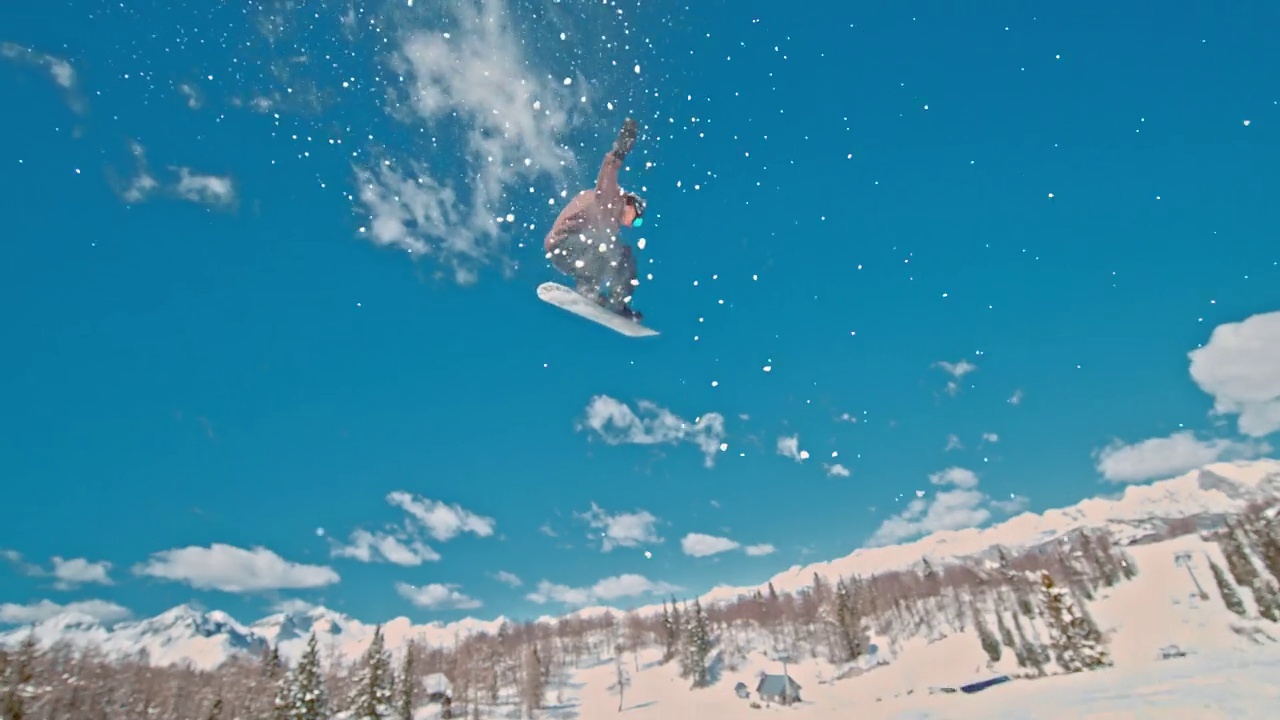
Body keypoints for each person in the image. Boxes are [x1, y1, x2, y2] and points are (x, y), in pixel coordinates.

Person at [544, 117, 647, 321]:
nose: (633, 225)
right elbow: (608, 172)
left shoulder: (609, 223)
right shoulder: (611, 199)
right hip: (564, 243)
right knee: (618, 253)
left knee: (616, 254)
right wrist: (621, 148)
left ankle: (603, 295)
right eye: (636, 219)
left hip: (569, 251)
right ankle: (601, 295)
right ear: (630, 203)